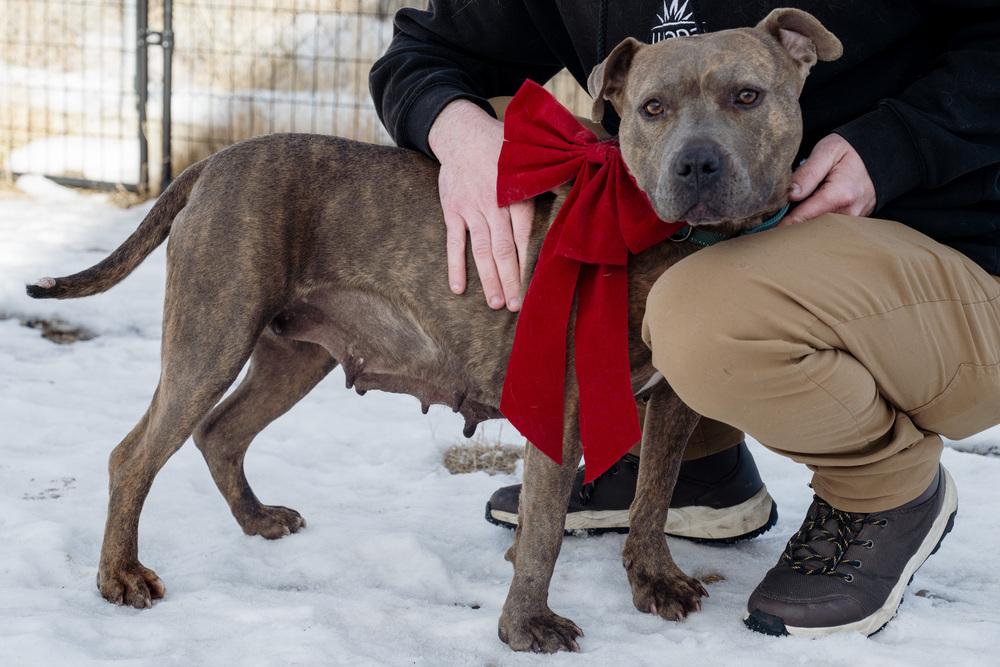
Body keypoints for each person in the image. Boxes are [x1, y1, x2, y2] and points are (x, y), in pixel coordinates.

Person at [369, 1, 1000, 636]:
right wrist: (464, 138)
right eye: (653, 109)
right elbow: (425, 53)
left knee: (699, 312)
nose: (697, 148)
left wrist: (897, 144)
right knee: (654, 288)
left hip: (952, 253)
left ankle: (881, 492)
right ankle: (697, 470)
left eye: (747, 96)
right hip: (754, 253)